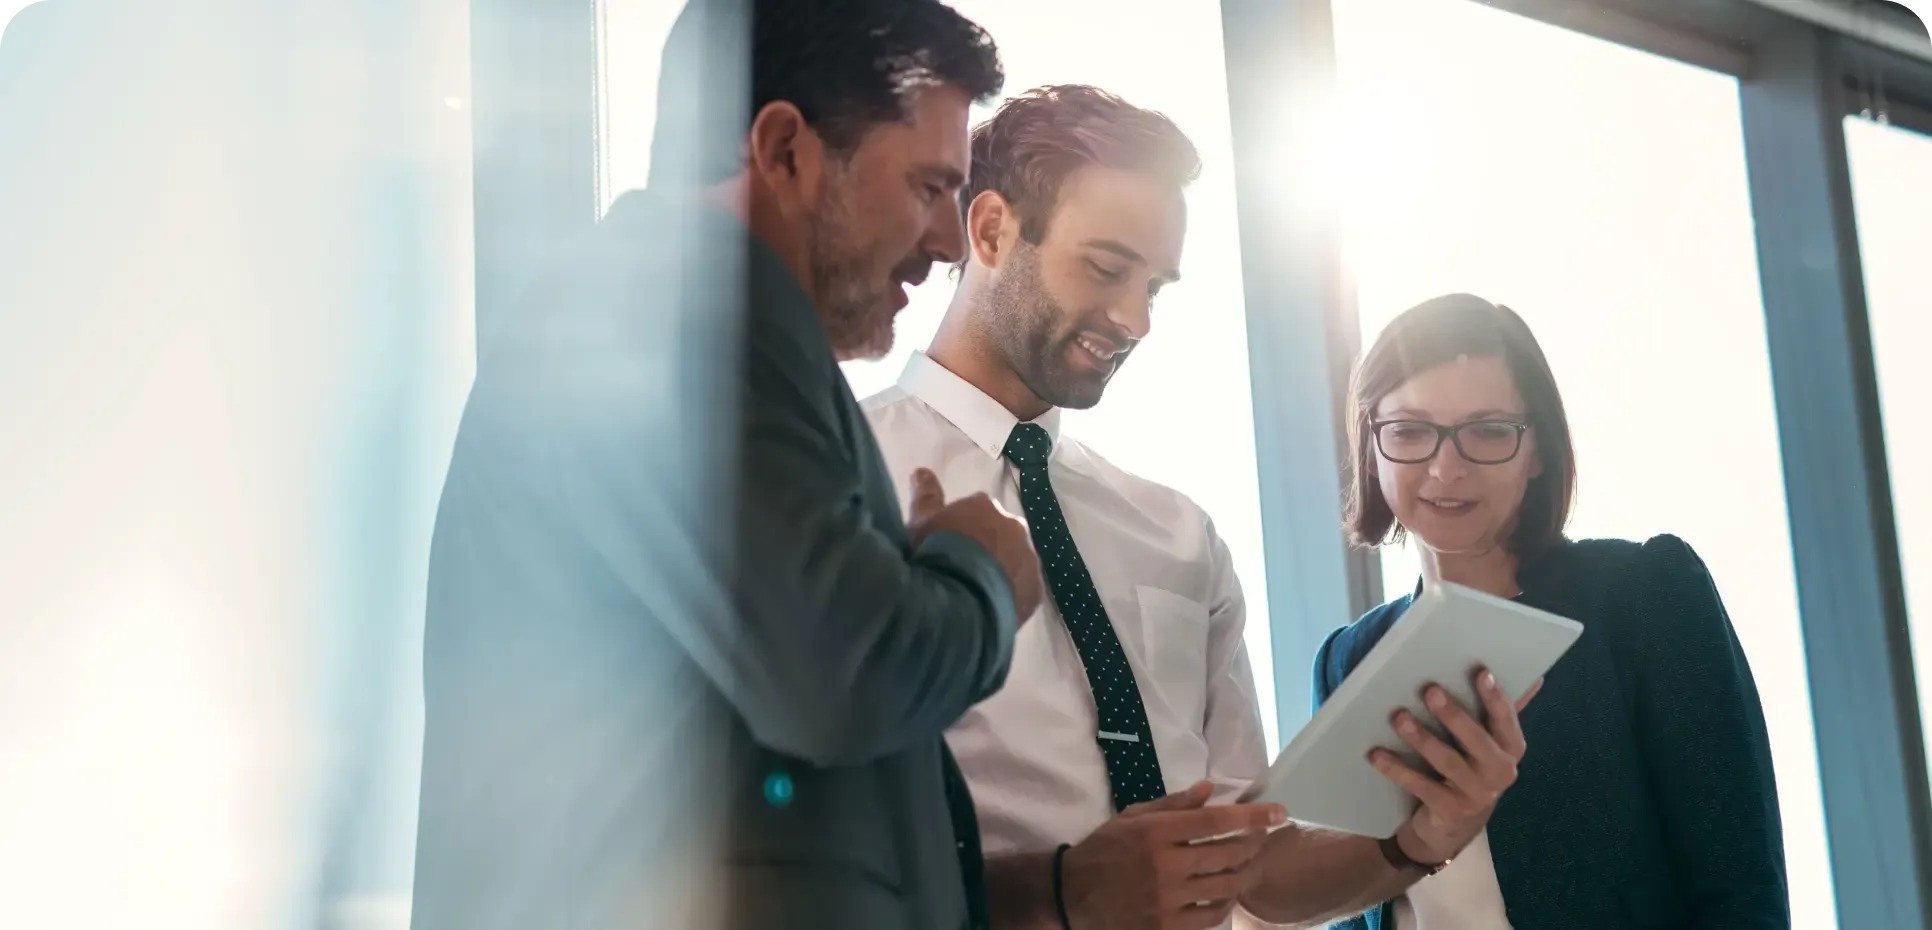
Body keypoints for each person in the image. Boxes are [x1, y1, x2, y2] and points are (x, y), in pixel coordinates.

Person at [409, 2, 1047, 929]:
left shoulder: (672, 315)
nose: (950, 242)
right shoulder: (671, 309)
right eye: (927, 186)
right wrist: (979, 573)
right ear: (785, 149)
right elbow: (840, 671)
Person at [863, 85, 1532, 930]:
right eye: (1107, 268)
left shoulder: (1177, 535)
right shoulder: (847, 483)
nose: (1135, 318)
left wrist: (1421, 839)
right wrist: (1065, 894)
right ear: (992, 230)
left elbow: (1260, 870)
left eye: (1157, 286)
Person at [1316, 293, 1788, 929]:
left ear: (1537, 451)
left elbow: (1741, 885)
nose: (1445, 466)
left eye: (1487, 431)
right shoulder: (1349, 658)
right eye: (1409, 431)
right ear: (1371, 446)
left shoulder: (1642, 595)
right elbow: (1347, 898)